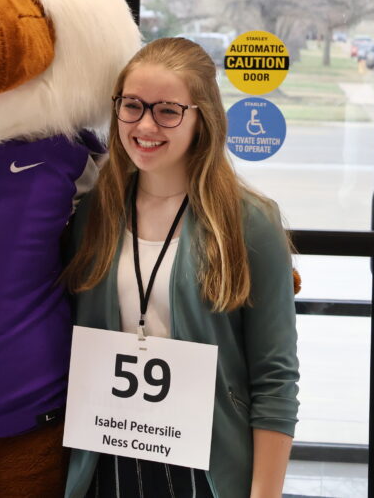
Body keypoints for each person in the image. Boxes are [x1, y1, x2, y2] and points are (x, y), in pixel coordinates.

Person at [62, 37, 299, 498]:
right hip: (105, 457)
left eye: (167, 110)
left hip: (204, 468)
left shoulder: (249, 222)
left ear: (202, 119)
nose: (146, 124)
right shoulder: (93, 213)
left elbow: (275, 379)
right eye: (132, 106)